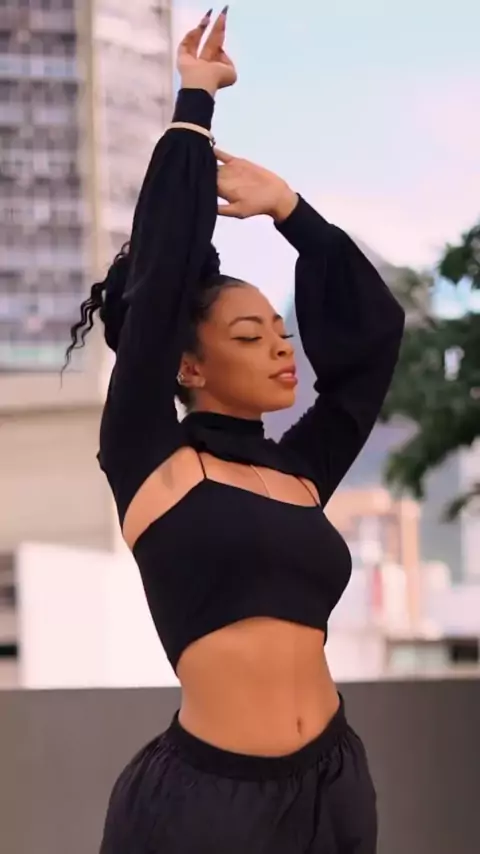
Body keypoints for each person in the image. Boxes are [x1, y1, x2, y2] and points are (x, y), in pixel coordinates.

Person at [66, 9, 405, 853]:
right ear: (187, 364)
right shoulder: (150, 459)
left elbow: (372, 342)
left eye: (281, 334)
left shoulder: (299, 471)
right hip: (207, 806)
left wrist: (292, 211)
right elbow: (161, 273)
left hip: (336, 786)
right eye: (251, 337)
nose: (283, 350)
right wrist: (195, 101)